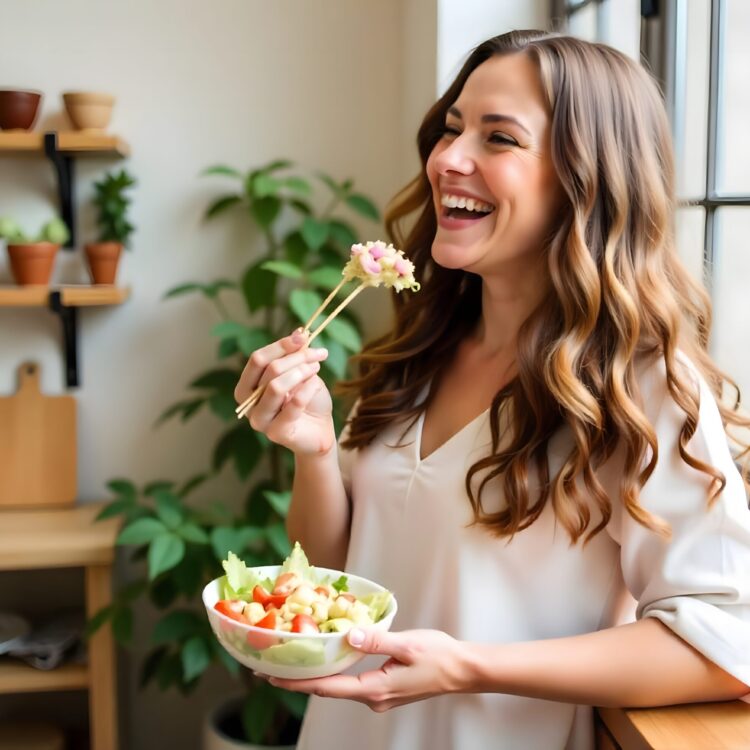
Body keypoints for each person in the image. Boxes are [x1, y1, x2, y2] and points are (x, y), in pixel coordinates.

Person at [233, 29, 750, 750]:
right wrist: (315, 453)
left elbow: (725, 641)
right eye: (451, 129)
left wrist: (467, 667)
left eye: (499, 139)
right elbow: (337, 577)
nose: (448, 159)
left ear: (585, 179)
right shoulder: (422, 345)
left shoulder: (642, 384)